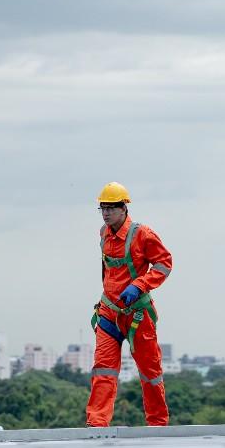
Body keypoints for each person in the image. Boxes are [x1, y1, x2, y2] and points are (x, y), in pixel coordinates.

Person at [88, 182, 174, 427]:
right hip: (109, 313)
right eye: (103, 208)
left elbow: (164, 263)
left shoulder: (142, 235)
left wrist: (140, 285)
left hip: (137, 315)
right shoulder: (103, 233)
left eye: (111, 208)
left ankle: (158, 425)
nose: (106, 213)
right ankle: (96, 425)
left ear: (124, 208)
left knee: (150, 373)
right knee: (103, 370)